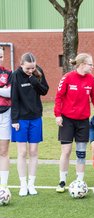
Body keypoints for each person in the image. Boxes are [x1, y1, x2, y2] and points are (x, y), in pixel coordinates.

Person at [54, 53, 94, 193]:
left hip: (83, 121)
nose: (92, 66)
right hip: (67, 120)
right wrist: (58, 115)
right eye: (90, 64)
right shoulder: (67, 78)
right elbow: (59, 97)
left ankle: (80, 180)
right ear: (82, 64)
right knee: (66, 151)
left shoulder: (92, 79)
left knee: (81, 152)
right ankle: (62, 181)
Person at [10, 52, 49, 196]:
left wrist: (35, 81)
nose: (30, 71)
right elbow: (14, 97)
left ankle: (32, 184)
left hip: (35, 117)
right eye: (27, 69)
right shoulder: (15, 75)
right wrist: (14, 120)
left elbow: (44, 91)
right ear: (21, 65)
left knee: (33, 152)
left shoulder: (38, 72)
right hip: (20, 119)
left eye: (32, 68)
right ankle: (23, 184)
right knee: (22, 152)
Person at [0, 47, 12, 187]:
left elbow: (10, 93)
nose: (0, 58)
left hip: (5, 114)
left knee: (3, 151)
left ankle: (3, 185)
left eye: (1, 56)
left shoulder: (8, 73)